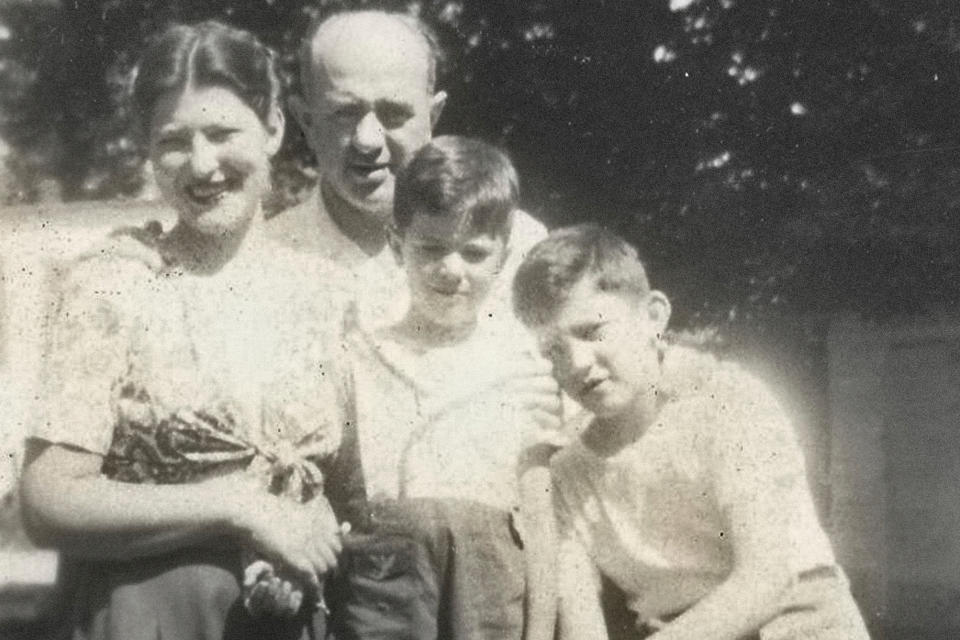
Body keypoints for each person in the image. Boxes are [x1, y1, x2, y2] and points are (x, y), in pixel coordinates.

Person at [19, 21, 344, 640]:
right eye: (173, 141)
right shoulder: (115, 284)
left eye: (222, 133)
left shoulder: (323, 291)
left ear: (274, 128)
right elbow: (48, 500)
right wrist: (237, 506)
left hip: (285, 615)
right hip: (147, 613)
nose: (202, 164)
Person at [512, 224, 871, 640]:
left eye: (593, 332)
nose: (576, 363)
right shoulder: (571, 469)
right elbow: (580, 621)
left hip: (795, 619)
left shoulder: (727, 403)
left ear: (653, 316)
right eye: (552, 350)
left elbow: (767, 576)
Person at [319, 136, 562, 640]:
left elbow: (539, 524)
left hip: (489, 604)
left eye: (474, 253)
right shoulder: (358, 355)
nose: (452, 271)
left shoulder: (520, 369)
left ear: (503, 256)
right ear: (395, 245)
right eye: (431, 249)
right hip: (383, 603)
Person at [268, 8, 546, 325]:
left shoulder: (521, 250)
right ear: (307, 122)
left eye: (393, 114)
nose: (368, 140)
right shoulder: (266, 263)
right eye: (344, 113)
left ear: (433, 116)